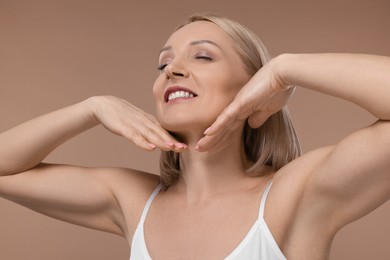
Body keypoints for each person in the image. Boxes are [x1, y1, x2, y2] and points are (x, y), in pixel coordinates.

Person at [0, 13, 389, 260]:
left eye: (202, 56)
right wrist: (92, 108)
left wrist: (284, 70)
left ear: (252, 86)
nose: (173, 70)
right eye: (164, 62)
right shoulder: (134, 201)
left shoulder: (297, 196)